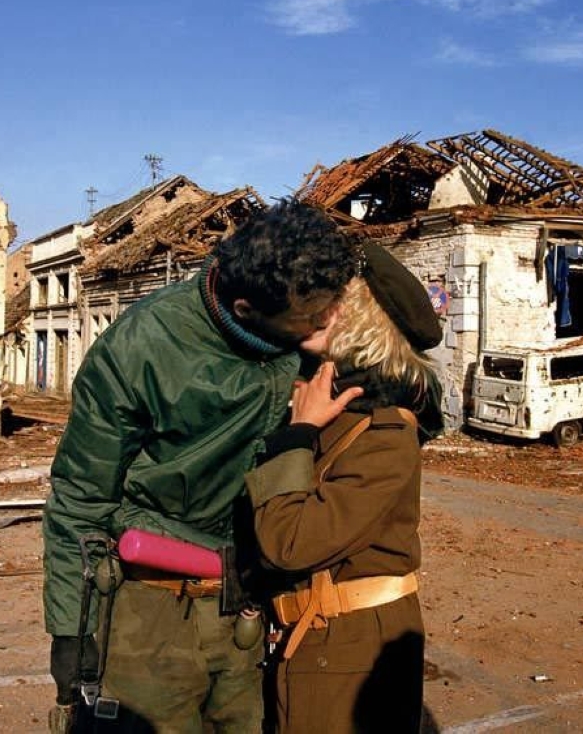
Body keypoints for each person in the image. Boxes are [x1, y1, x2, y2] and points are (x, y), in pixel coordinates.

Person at [43, 200, 357, 733]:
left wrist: (332, 345)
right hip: (150, 612)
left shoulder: (305, 334)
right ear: (244, 308)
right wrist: (71, 634)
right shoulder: (139, 348)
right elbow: (80, 497)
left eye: (334, 306)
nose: (333, 321)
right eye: (313, 315)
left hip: (246, 609)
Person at [244, 241, 444, 733]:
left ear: (362, 320)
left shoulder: (386, 431)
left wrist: (295, 436)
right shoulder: (335, 409)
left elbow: (290, 542)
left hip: (352, 649)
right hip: (318, 638)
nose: (311, 311)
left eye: (332, 305)